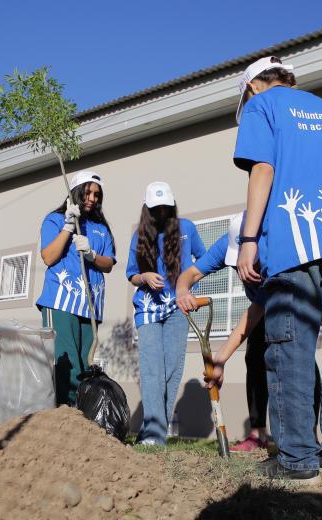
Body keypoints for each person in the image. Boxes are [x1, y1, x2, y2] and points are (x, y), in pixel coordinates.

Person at [233, 56, 322, 483]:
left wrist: (248, 239)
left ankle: (297, 462)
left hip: (294, 240)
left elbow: (263, 168)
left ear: (254, 86)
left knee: (290, 348)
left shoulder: (263, 106)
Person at [175, 213, 270, 452]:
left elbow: (255, 312)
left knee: (298, 365)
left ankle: (306, 439)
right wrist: (183, 290)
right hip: (258, 309)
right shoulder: (228, 242)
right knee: (255, 359)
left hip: (288, 306)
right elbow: (191, 273)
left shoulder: (273, 251)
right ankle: (258, 435)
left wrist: (220, 359)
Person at [126, 181, 205, 446]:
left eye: (166, 208)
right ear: (147, 209)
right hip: (148, 308)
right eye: (156, 208)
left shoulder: (187, 229)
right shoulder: (139, 235)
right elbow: (131, 274)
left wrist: (189, 289)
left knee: (171, 369)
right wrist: (144, 276)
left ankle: (155, 431)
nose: (161, 213)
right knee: (152, 371)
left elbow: (203, 262)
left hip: (177, 307)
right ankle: (154, 435)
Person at [36, 170, 116, 406]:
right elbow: (48, 257)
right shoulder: (55, 219)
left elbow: (109, 263)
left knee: (84, 364)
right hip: (60, 301)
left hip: (91, 305)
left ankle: (78, 417)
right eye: (88, 193)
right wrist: (68, 227)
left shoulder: (101, 228)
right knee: (66, 363)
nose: (92, 198)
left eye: (97, 195)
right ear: (76, 192)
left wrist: (92, 255)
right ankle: (64, 415)